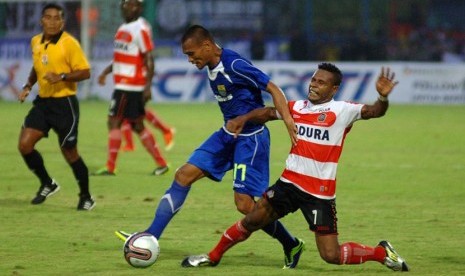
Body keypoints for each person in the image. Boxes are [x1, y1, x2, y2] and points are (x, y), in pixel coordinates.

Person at [181, 63, 410, 272]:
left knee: (331, 255)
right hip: (288, 185)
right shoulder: (296, 108)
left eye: (321, 82)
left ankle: (380, 253)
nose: (314, 84)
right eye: (313, 79)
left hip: (319, 194)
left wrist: (382, 97)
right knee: (251, 220)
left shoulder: (342, 110)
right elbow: (269, 113)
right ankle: (213, 256)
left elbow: (374, 111)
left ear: (334, 89)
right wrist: (246, 118)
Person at [116, 24, 306, 268]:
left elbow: (272, 88)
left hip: (251, 140)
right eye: (187, 55)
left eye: (192, 54)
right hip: (227, 135)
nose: (190, 60)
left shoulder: (234, 65)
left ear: (206, 46)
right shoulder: (211, 64)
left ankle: (291, 243)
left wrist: (288, 120)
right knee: (183, 175)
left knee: (245, 205)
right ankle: (150, 235)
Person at [17, 3, 95, 210]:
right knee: (25, 145)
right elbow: (37, 67)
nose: (52, 22)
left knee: (69, 151)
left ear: (62, 22)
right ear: (41, 20)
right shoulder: (36, 41)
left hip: (65, 103)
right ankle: (47, 183)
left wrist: (62, 76)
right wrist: (28, 85)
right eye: (48, 18)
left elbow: (85, 72)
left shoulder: (69, 43)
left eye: (56, 18)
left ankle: (86, 196)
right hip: (43, 102)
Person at [93, 0, 169, 176]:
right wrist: (106, 72)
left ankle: (110, 167)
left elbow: (149, 58)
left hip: (130, 85)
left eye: (134, 5)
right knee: (137, 125)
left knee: (114, 121)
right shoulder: (122, 28)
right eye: (126, 4)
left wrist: (148, 86)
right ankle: (162, 163)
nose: (129, 8)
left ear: (140, 8)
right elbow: (121, 56)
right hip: (124, 84)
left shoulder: (140, 28)